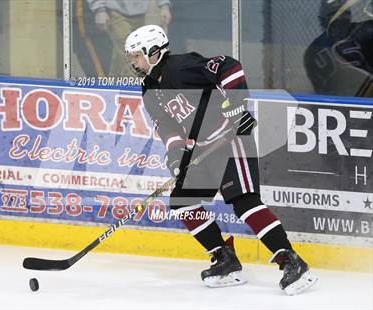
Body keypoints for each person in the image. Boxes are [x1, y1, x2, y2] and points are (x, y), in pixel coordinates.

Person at [124, 25, 318, 295]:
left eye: (136, 55)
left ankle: (292, 261)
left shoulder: (180, 66)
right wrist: (176, 152)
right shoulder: (148, 88)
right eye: (131, 56)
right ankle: (225, 260)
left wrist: (238, 108)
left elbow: (229, 66)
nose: (132, 61)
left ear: (153, 52)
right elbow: (166, 125)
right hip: (204, 149)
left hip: (231, 140)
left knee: (244, 202)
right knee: (182, 202)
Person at [304, 0, 373, 97]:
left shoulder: (312, 50)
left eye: (343, 14)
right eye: (337, 15)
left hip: (343, 103)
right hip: (348, 101)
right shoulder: (364, 31)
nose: (340, 19)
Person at [87, 0, 171, 76]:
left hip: (139, 10)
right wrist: (99, 9)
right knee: (128, 48)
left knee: (123, 52)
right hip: (113, 8)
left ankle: (112, 83)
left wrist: (164, 5)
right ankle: (136, 85)